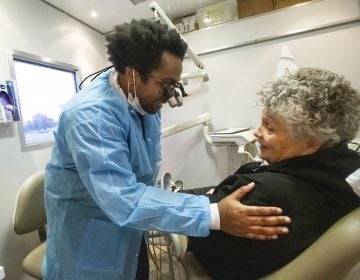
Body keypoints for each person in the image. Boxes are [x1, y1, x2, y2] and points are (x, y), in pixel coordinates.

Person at [43, 19, 291, 280]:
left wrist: (194, 202)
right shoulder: (90, 116)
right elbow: (123, 200)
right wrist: (213, 213)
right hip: (90, 237)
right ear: (132, 73)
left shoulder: (143, 102)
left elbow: (141, 180)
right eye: (166, 85)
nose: (171, 95)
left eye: (175, 84)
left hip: (129, 226)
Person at [187, 67, 360, 280]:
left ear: (310, 144)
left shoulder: (256, 196)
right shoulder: (352, 174)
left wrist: (210, 203)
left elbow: (196, 235)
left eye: (269, 128)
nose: (256, 133)